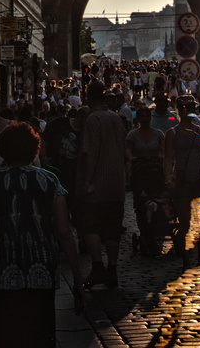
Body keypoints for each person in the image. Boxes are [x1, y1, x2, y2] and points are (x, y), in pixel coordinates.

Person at [0, 122, 85, 347]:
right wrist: (77, 278)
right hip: (41, 271)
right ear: (35, 149)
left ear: (2, 149)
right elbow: (64, 232)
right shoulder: (50, 180)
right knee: (38, 336)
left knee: (0, 336)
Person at [76, 80, 127, 289]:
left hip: (96, 184)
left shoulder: (92, 119)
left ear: (89, 97)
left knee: (91, 224)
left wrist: (87, 181)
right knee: (113, 227)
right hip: (116, 182)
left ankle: (98, 267)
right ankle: (112, 269)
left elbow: (91, 153)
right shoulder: (116, 118)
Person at [164, 95, 200, 272]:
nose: (188, 111)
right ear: (179, 110)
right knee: (185, 224)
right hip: (182, 182)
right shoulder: (172, 133)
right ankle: (186, 261)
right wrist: (168, 178)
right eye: (185, 108)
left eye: (191, 108)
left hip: (199, 181)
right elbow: (168, 158)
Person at [127, 106, 165, 254]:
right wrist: (133, 158)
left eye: (147, 116)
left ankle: (157, 227)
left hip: (156, 173)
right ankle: (145, 231)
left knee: (158, 200)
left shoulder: (158, 134)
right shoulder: (132, 135)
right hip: (140, 173)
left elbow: (163, 151)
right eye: (141, 116)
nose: (144, 119)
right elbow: (128, 151)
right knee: (141, 205)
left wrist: (160, 157)